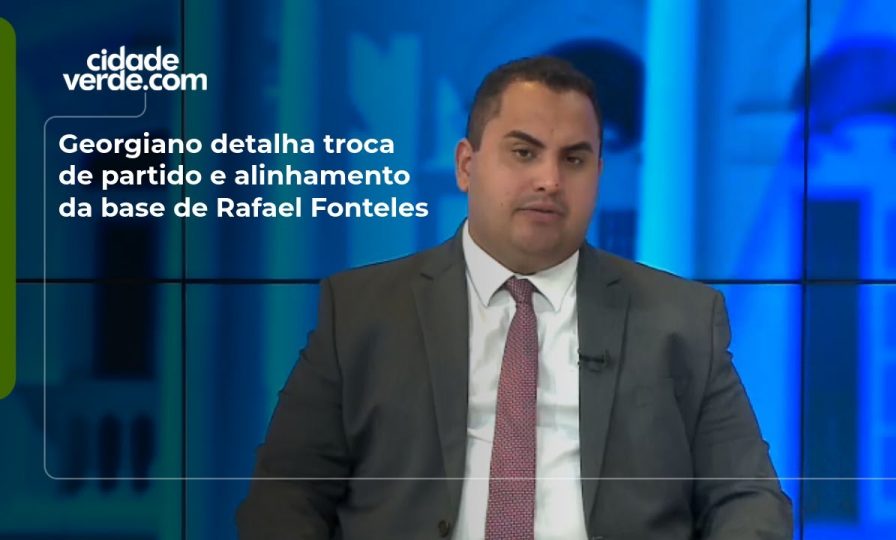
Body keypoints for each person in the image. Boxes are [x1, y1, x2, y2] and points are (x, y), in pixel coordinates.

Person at [237, 56, 793, 539]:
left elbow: (748, 498)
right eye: (524, 153)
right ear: (466, 165)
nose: (550, 179)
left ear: (598, 174)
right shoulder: (362, 313)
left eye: (574, 159)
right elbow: (285, 495)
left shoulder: (683, 320)